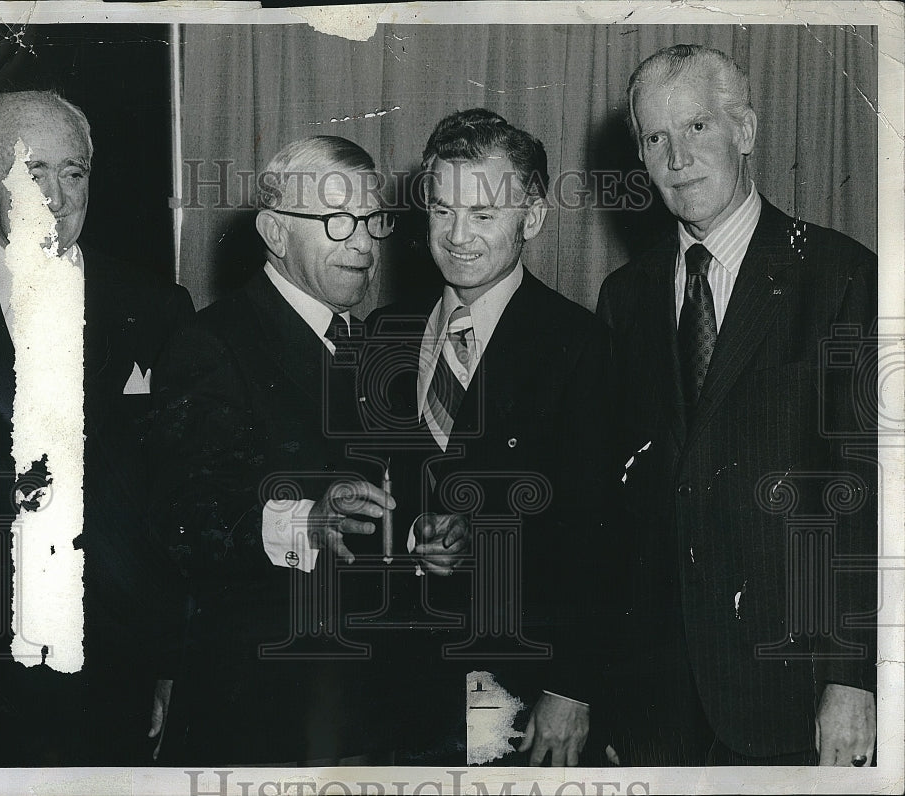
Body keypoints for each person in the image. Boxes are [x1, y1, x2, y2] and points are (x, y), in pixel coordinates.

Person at [596, 44, 878, 766]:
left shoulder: (838, 275)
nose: (676, 157)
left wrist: (852, 678)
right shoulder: (625, 297)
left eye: (696, 128)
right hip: (657, 693)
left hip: (792, 684)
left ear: (745, 131)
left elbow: (865, 493)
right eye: (655, 138)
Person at [0, 90, 194, 765]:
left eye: (73, 172)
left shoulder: (156, 309)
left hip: (110, 671)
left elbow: (176, 501)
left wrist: (169, 662)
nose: (56, 194)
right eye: (31, 171)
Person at [361, 109, 623, 766]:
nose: (457, 236)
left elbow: (598, 541)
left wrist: (572, 689)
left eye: (483, 214)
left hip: (521, 688)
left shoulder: (580, 347)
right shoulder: (384, 333)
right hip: (394, 685)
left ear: (529, 219)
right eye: (443, 210)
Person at [147, 135, 403, 764]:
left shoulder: (374, 343)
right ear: (275, 231)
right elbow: (183, 516)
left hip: (368, 705)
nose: (366, 244)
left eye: (372, 220)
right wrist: (308, 521)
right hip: (259, 712)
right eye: (338, 220)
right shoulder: (210, 341)